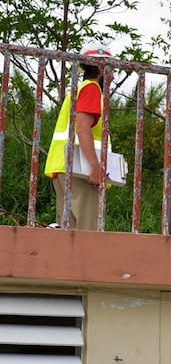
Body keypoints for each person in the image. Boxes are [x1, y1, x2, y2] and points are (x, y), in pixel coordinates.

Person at [45, 44, 113, 229]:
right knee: (87, 236)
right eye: (111, 69)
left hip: (64, 167)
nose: (113, 76)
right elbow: (82, 127)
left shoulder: (78, 89)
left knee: (70, 236)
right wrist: (94, 165)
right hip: (79, 170)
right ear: (100, 68)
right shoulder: (91, 89)